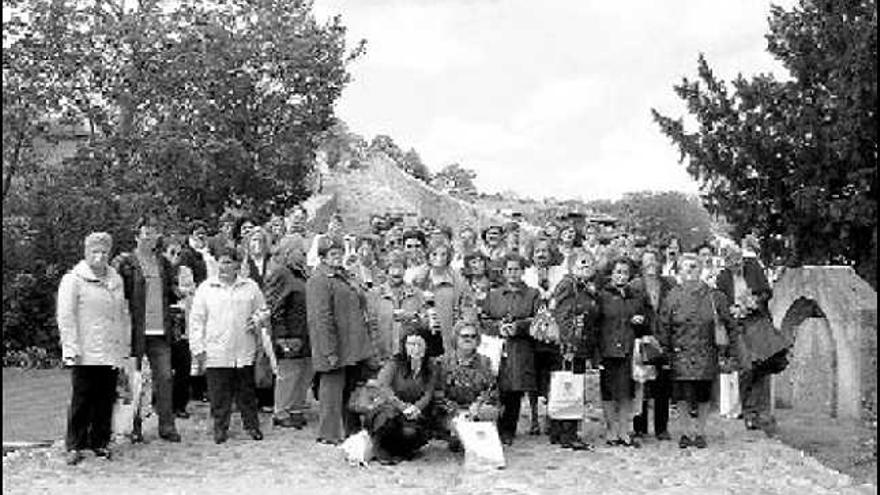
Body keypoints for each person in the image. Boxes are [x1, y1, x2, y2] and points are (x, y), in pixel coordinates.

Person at [57, 232, 131, 465]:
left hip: (110, 349)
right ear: (86, 253)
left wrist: (124, 346)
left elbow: (122, 315)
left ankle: (99, 441)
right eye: (94, 252)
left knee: (105, 397)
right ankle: (74, 444)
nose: (99, 257)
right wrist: (71, 348)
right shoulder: (73, 279)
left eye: (104, 252)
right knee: (82, 398)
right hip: (86, 349)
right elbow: (66, 316)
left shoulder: (116, 279)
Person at [189, 246, 266, 444]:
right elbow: (196, 320)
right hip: (216, 350)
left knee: (247, 393)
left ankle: (252, 426)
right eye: (221, 262)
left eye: (229, 262)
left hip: (243, 349)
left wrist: (257, 320)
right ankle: (220, 428)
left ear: (237, 265)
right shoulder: (206, 288)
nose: (224, 266)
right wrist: (198, 349)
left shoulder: (250, 287)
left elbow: (263, 310)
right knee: (219, 395)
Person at [114, 216, 181, 443]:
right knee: (135, 381)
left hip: (160, 331)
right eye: (146, 233)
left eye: (154, 233)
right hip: (136, 332)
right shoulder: (126, 263)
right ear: (137, 236)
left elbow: (170, 291)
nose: (150, 237)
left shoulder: (162, 262)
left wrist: (181, 291)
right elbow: (118, 295)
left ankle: (167, 426)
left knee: (164, 378)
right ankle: (134, 426)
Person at [307, 236, 375, 445]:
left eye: (339, 253)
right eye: (332, 254)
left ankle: (347, 428)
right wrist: (329, 350)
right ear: (322, 257)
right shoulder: (319, 280)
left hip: (350, 342)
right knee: (331, 390)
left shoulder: (342, 276)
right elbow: (321, 317)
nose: (337, 258)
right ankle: (329, 432)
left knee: (347, 389)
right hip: (334, 344)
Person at [659, 253, 731, 449]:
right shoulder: (672, 296)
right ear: (679, 271)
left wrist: (730, 351)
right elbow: (664, 324)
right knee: (681, 394)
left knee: (703, 394)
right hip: (679, 351)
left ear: (701, 270)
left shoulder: (714, 296)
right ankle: (684, 432)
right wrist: (664, 351)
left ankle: (700, 431)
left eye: (694, 267)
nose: (690, 271)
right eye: (685, 267)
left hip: (706, 351)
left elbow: (728, 323)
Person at [715, 246, 784, 435]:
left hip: (757, 321)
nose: (736, 266)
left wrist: (755, 301)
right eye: (732, 263)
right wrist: (732, 310)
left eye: (738, 261)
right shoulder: (722, 278)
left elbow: (766, 292)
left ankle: (762, 412)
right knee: (746, 368)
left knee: (763, 365)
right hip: (738, 326)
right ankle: (748, 412)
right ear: (726, 264)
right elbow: (721, 304)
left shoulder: (753, 266)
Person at [480, 253, 541, 445]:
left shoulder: (533, 294)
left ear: (523, 271)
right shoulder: (494, 294)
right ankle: (492, 426)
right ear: (504, 272)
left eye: (517, 269)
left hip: (520, 346)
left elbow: (538, 319)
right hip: (497, 346)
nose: (513, 273)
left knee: (514, 388)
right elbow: (483, 319)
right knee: (496, 386)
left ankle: (508, 429)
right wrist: (498, 327)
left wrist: (519, 327)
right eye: (509, 269)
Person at [595, 257, 649, 447]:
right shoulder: (602, 296)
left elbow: (647, 323)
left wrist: (640, 321)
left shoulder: (636, 296)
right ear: (611, 274)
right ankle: (610, 429)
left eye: (625, 272)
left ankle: (624, 429)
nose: (621, 276)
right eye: (618, 272)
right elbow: (595, 324)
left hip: (628, 349)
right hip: (607, 348)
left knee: (627, 392)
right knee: (608, 392)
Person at [547, 250, 598, 450]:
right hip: (568, 346)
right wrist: (568, 343)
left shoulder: (585, 287)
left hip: (581, 343)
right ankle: (566, 432)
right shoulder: (568, 285)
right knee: (568, 387)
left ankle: (561, 431)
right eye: (581, 264)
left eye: (589, 264)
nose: (585, 268)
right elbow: (562, 315)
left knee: (571, 385)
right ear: (572, 266)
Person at [368, 330, 439, 464]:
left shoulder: (431, 367)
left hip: (414, 412)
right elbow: (384, 387)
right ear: (404, 346)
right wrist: (402, 407)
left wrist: (417, 408)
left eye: (419, 344)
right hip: (389, 409)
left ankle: (402, 451)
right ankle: (382, 451)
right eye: (411, 344)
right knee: (388, 420)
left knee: (410, 433)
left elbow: (429, 392)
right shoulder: (394, 364)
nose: (415, 348)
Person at [264, 238, 312, 429]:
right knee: (289, 373)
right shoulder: (281, 273)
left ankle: (296, 408)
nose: (304, 254)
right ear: (289, 252)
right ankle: (281, 411)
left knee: (305, 371)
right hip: (290, 332)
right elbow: (275, 306)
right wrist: (282, 336)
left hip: (307, 332)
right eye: (301, 251)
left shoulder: (303, 274)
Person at [629, 249, 677, 441]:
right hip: (643, 339)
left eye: (654, 260)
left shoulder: (670, 284)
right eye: (647, 261)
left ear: (659, 262)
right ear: (641, 264)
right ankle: (639, 427)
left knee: (663, 387)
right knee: (642, 386)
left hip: (663, 340)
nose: (651, 264)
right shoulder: (634, 285)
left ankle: (661, 428)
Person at [437, 321, 499, 452]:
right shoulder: (442, 363)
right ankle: (454, 436)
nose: (469, 339)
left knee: (489, 411)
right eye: (464, 336)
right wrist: (455, 411)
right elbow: (437, 394)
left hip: (475, 410)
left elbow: (491, 390)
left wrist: (478, 404)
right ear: (456, 338)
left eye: (473, 336)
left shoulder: (485, 362)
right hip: (451, 411)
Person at [366, 252, 426, 366]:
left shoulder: (417, 293)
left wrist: (413, 318)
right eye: (393, 268)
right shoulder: (375, 295)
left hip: (410, 357)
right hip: (383, 357)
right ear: (386, 270)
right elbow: (370, 327)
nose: (396, 272)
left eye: (400, 267)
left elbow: (425, 324)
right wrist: (374, 356)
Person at [162, 236, 196, 419]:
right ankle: (162, 404)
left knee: (184, 365)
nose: (175, 256)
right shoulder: (159, 272)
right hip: (165, 324)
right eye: (171, 252)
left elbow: (190, 293)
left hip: (183, 322)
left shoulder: (185, 271)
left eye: (178, 253)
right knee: (164, 368)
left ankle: (180, 405)